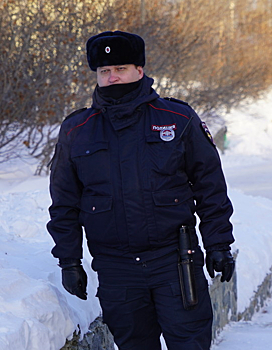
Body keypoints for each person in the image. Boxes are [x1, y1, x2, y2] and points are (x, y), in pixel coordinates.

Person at [47, 31, 235, 350]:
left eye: (120, 68)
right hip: (116, 269)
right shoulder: (77, 131)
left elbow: (210, 187)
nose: (112, 77)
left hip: (175, 261)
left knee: (190, 343)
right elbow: (64, 203)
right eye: (105, 71)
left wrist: (219, 243)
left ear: (139, 70)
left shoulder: (177, 119)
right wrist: (69, 261)